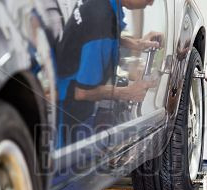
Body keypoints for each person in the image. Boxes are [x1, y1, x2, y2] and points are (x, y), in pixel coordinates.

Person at [55, 0, 159, 146]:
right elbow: (82, 92)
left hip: (66, 98)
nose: (150, 4)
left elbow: (92, 34)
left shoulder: (103, 6)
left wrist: (136, 44)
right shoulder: (102, 19)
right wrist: (127, 92)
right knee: (75, 164)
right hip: (69, 117)